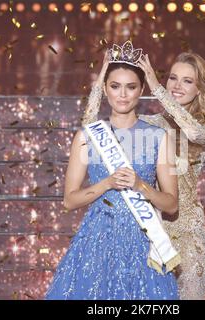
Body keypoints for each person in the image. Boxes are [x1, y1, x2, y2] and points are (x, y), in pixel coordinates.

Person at [82, 51, 205, 299]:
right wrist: (102, 81)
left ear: (200, 89)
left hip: (189, 237)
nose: (177, 86)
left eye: (187, 81)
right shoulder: (151, 124)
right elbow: (91, 130)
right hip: (149, 232)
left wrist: (158, 89)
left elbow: (192, 133)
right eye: (172, 78)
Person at [46, 41, 180, 300]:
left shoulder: (158, 137)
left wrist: (141, 185)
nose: (122, 94)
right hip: (97, 241)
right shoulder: (88, 136)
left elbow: (172, 205)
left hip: (143, 242)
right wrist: (106, 183)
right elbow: (69, 200)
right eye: (115, 86)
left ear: (141, 90)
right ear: (104, 89)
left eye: (130, 87)